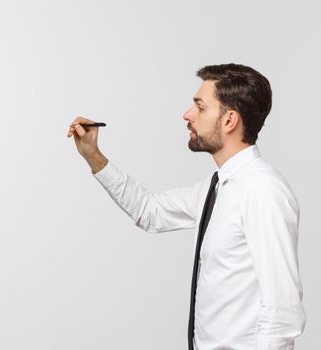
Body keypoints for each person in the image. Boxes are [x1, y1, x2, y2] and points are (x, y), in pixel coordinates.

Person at [66, 63, 306, 350]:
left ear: (229, 120)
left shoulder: (263, 191)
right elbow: (149, 211)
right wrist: (94, 156)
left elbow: (283, 312)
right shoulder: (214, 186)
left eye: (200, 107)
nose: (188, 115)